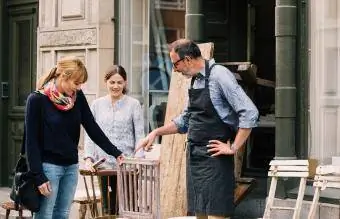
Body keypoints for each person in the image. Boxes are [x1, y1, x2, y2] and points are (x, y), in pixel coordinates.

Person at [136, 39, 259, 219]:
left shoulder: (219, 75)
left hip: (215, 160)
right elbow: (186, 120)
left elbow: (249, 112)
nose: (174, 69)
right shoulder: (195, 80)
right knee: (199, 214)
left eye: (175, 64)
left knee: (217, 215)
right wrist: (155, 133)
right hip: (195, 157)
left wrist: (233, 147)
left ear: (187, 59)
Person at [25, 56, 124, 219]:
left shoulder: (77, 98)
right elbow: (31, 143)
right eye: (76, 83)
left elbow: (92, 127)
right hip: (48, 167)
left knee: (62, 214)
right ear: (63, 76)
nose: (79, 87)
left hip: (71, 166)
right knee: (44, 215)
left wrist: (115, 152)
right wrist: (38, 176)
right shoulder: (37, 100)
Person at [83, 65, 144, 215]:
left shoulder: (134, 104)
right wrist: (89, 158)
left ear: (125, 83)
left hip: (127, 166)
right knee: (107, 209)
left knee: (127, 207)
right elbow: (90, 135)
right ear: (106, 82)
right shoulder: (96, 105)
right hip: (103, 166)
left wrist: (138, 160)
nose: (116, 86)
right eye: (112, 82)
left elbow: (140, 135)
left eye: (119, 82)